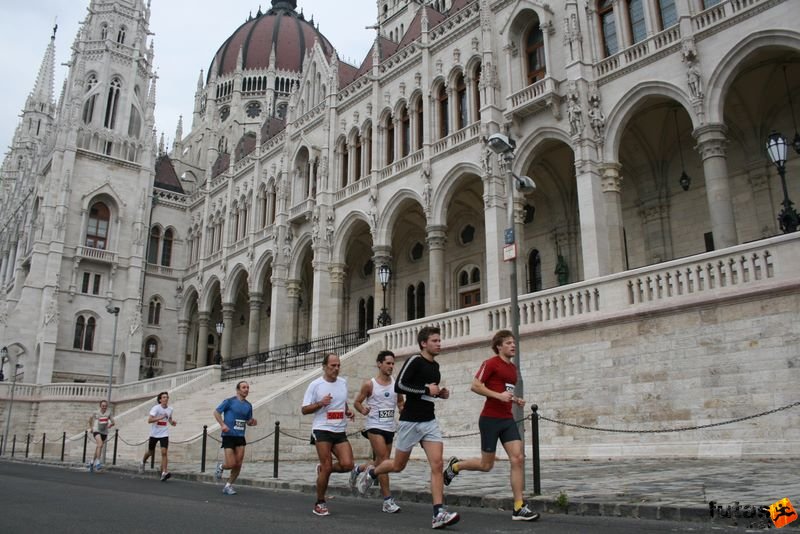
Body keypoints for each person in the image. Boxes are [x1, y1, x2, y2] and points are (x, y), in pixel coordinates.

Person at [357, 326, 460, 529]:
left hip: (429, 421)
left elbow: (426, 393)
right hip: (410, 421)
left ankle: (438, 513)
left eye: (440, 340)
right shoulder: (415, 360)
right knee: (397, 465)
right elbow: (399, 386)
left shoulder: (436, 366)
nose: (439, 344)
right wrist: (426, 389)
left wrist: (439, 394)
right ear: (424, 343)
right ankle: (372, 473)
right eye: (435, 341)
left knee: (437, 464)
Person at [442, 330, 539, 521]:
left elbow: (504, 392)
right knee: (486, 465)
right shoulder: (490, 363)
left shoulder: (512, 369)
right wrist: (499, 396)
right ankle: (456, 467)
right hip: (490, 419)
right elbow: (475, 386)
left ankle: (519, 506)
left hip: (507, 419)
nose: (513, 345)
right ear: (499, 346)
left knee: (518, 458)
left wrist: (515, 400)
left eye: (514, 343)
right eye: (509, 343)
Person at [349, 350, 405, 513]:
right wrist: (363, 410)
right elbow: (357, 402)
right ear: (379, 364)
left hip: (389, 427)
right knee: (383, 460)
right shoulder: (370, 384)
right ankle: (387, 501)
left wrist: (403, 409)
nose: (391, 366)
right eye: (388, 363)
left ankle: (358, 470)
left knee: (384, 463)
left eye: (393, 363)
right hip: (374, 426)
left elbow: (400, 402)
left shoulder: (397, 383)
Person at [301, 353, 355, 517]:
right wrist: (320, 403)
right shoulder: (315, 385)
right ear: (324, 366)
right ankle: (320, 502)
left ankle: (323, 470)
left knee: (348, 465)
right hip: (322, 429)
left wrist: (347, 411)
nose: (336, 369)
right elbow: (304, 409)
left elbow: (342, 400)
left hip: (339, 430)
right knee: (327, 465)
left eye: (338, 365)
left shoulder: (343, 382)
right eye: (333, 366)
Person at [213, 380, 258, 495]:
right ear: (238, 390)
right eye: (244, 387)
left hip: (240, 436)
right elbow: (216, 412)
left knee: (238, 464)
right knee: (231, 463)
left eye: (247, 387)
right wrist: (223, 425)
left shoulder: (248, 406)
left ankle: (228, 486)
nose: (246, 389)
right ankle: (221, 466)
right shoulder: (229, 401)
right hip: (228, 436)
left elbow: (248, 421)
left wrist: (252, 422)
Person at [139, 391, 177, 481]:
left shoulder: (170, 409)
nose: (166, 399)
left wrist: (172, 423)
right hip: (154, 433)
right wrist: (159, 417)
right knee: (150, 452)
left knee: (164, 452)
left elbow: (169, 419)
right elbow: (149, 420)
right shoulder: (156, 408)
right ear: (160, 400)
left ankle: (164, 472)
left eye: (167, 397)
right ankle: (142, 461)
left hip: (164, 433)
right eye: (164, 397)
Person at [87, 400, 115, 472]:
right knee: (100, 444)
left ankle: (92, 462)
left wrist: (110, 425)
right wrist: (91, 428)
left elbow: (113, 422)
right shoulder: (96, 412)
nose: (104, 407)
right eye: (103, 406)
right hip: (96, 430)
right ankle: (98, 462)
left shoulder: (109, 413)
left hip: (104, 432)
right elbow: (90, 419)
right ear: (100, 406)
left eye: (105, 406)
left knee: (98, 447)